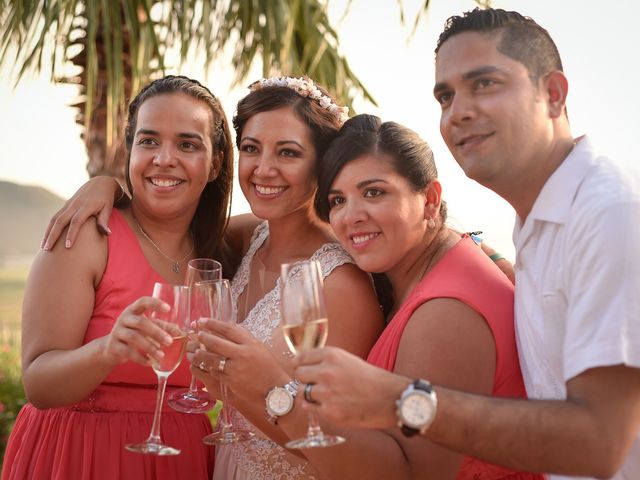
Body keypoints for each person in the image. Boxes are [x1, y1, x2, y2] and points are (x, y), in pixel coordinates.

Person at [295, 8, 640, 479]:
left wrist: (397, 399)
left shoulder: (607, 214)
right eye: (445, 96)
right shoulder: (540, 222)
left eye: (485, 84)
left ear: (553, 94)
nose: (459, 111)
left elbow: (601, 444)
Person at [39, 76, 384, 479]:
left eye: (288, 153)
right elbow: (165, 224)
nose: (264, 168)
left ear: (322, 164)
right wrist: (106, 185)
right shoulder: (243, 240)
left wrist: (257, 386)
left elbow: (342, 449)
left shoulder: (341, 283)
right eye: (252, 149)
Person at [191, 113, 541, 479]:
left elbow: (411, 476)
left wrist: (271, 391)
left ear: (430, 199)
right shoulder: (440, 262)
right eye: (338, 200)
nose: (351, 216)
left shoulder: (445, 313)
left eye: (374, 192)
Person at [1, 75, 234, 480]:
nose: (164, 158)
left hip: (185, 460)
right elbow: (38, 384)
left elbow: (294, 225)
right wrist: (108, 349)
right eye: (148, 141)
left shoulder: (224, 247)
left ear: (214, 164)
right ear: (130, 151)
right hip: (82, 456)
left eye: (187, 144)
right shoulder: (87, 235)